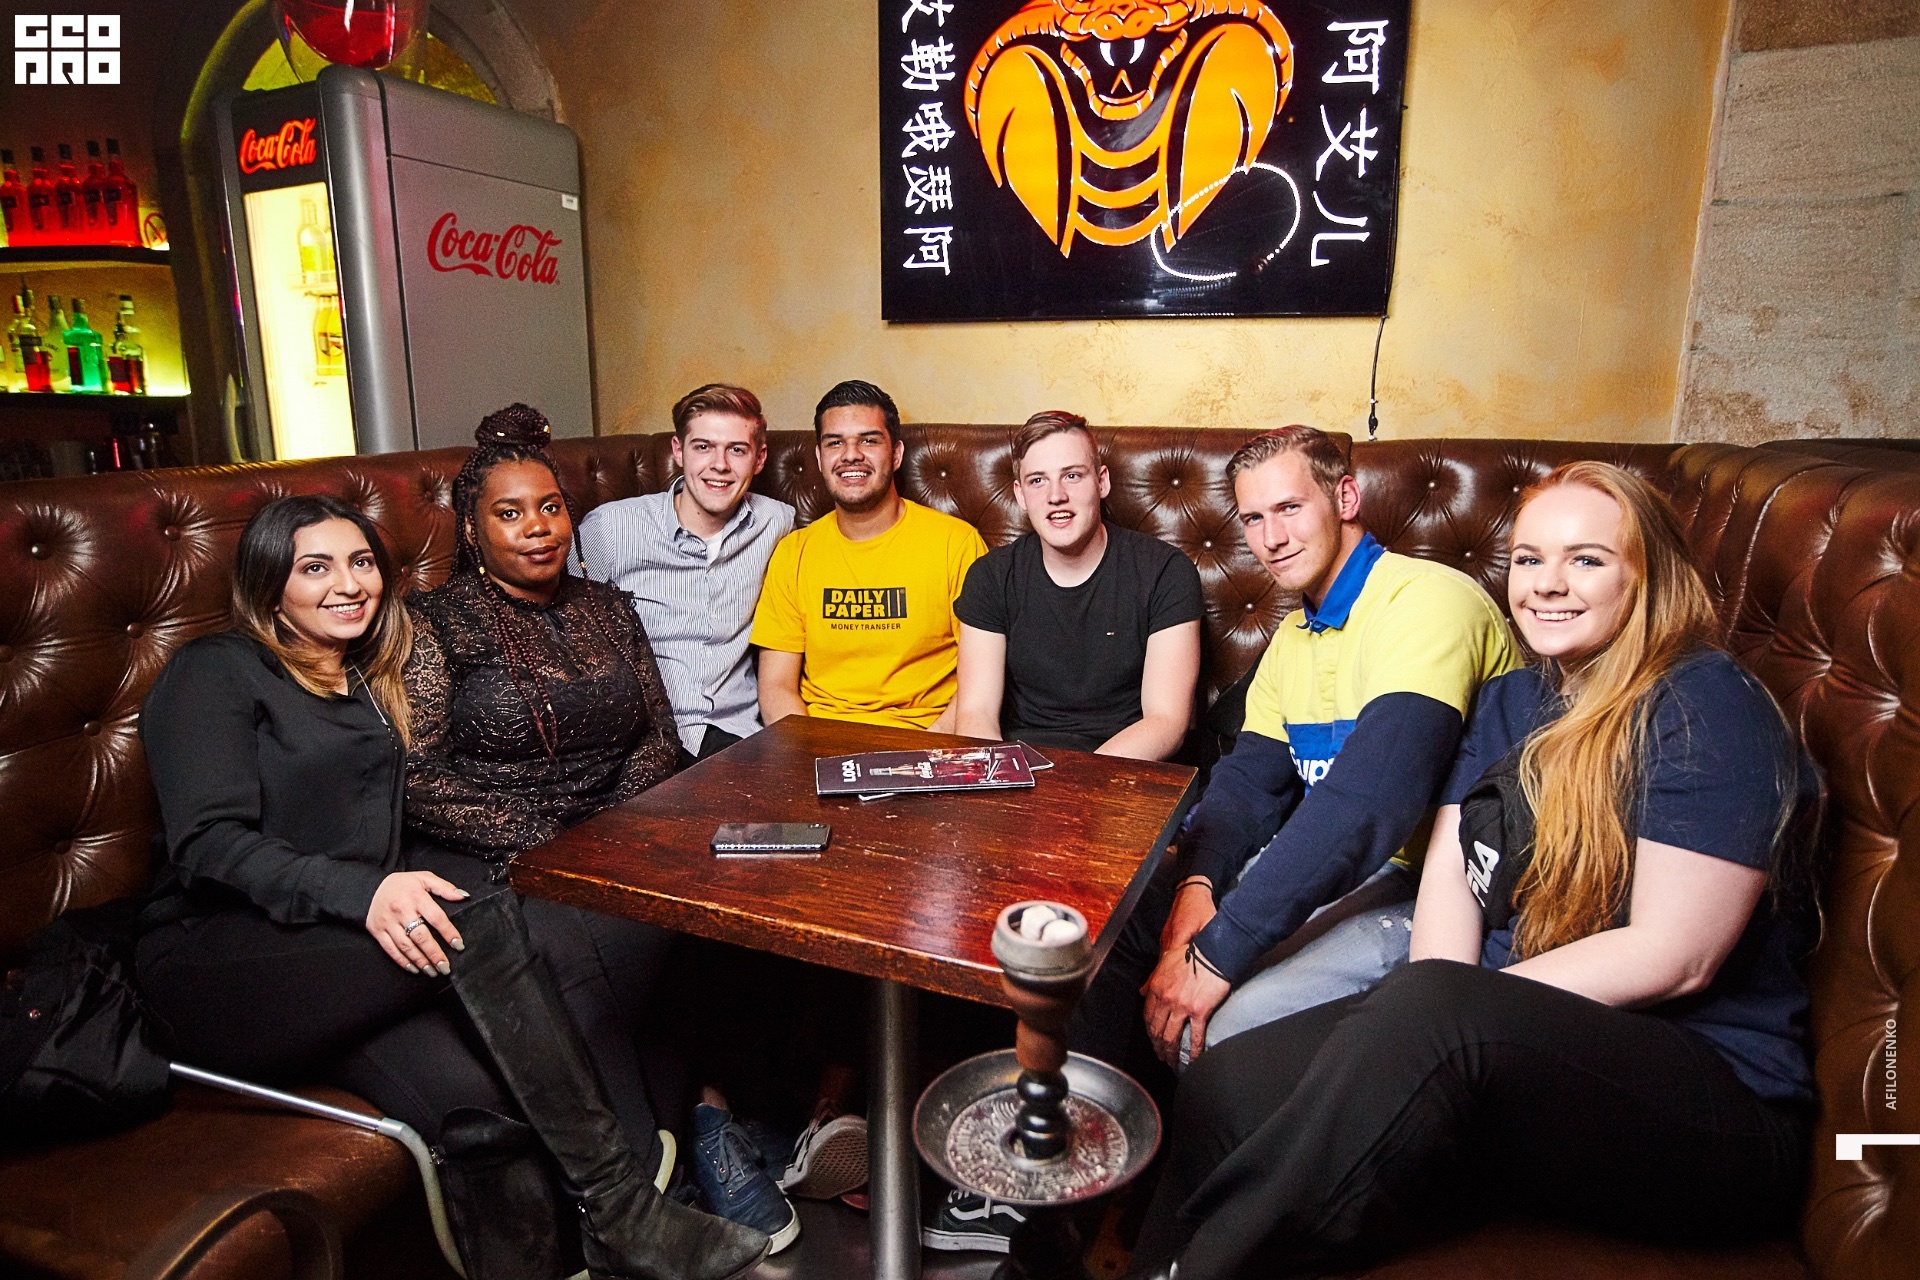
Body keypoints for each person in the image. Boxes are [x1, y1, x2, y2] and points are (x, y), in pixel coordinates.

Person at [1128, 462, 1816, 1280]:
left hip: (1708, 1094)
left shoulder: (1705, 702)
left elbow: (1676, 955)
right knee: (1230, 1080)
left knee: (1429, 1005)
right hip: (1512, 1053)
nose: (1548, 584)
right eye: (1528, 559)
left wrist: (1454, 1018)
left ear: (1647, 574)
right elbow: (1448, 906)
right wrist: (1433, 1026)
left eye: (1586, 559)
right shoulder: (1508, 703)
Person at [134, 494, 768, 1280]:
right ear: (270, 586)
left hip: (340, 950)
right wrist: (368, 893)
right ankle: (625, 1212)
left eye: (361, 562)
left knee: (480, 1102)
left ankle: (582, 1240)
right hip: (214, 958)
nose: (348, 584)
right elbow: (208, 845)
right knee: (481, 925)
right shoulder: (215, 670)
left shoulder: (366, 678)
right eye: (315, 568)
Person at [404, 405, 801, 1254]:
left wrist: (609, 827)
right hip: (498, 845)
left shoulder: (608, 606)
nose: (538, 528)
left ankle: (709, 1128)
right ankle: (649, 1187)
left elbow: (657, 733)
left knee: (734, 897)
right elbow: (417, 774)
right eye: (510, 513)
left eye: (550, 507)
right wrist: (550, 837)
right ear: (472, 530)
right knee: (602, 942)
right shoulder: (435, 622)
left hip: (615, 828)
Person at [1070, 426, 1519, 1074]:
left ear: (1345, 497)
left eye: (1289, 508)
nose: (1271, 538)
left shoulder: (1426, 600)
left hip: (1434, 885)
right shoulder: (1292, 637)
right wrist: (1197, 884)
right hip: (1338, 861)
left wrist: (1216, 952)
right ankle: (1098, 1123)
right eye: (1253, 518)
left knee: (1216, 1030)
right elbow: (1249, 783)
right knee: (1104, 927)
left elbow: (1370, 802)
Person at [953, 411, 1203, 759]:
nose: (1056, 496)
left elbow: (1165, 721)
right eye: (1037, 480)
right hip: (1020, 762)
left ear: (1102, 482)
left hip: (1128, 765)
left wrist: (1079, 784)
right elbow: (975, 712)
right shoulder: (991, 576)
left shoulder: (1165, 571)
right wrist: (1002, 778)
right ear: (1020, 494)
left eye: (1072, 476)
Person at [575, 384, 796, 769]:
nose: (719, 465)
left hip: (736, 736)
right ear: (678, 451)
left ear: (759, 459)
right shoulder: (611, 529)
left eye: (737, 450)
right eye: (703, 446)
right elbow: (555, 628)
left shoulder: (777, 523)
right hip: (641, 738)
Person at [751, 379, 987, 729]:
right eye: (835, 442)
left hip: (925, 739)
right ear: (819, 458)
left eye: (869, 440)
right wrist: (808, 751)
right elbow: (776, 686)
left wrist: (926, 750)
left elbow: (980, 682)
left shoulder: (957, 544)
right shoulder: (794, 552)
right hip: (816, 740)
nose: (851, 455)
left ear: (896, 454)